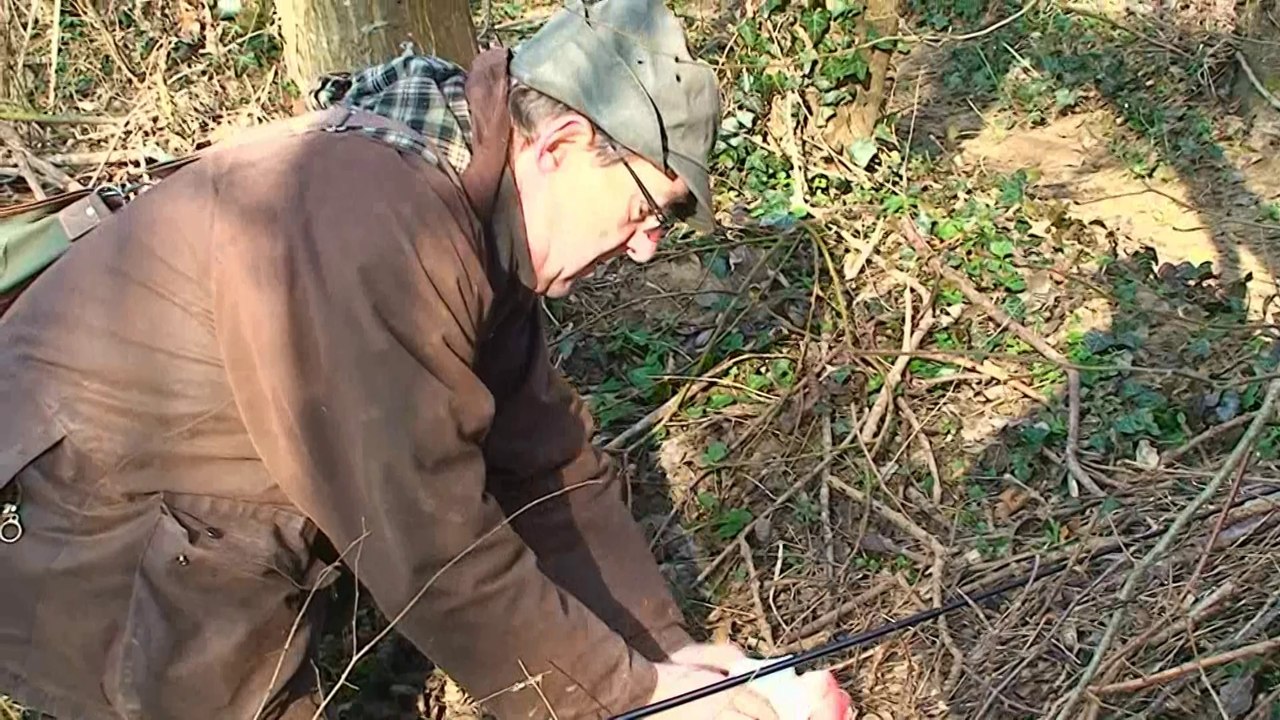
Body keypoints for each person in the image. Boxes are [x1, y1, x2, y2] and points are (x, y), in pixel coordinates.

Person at [0, 0, 852, 718]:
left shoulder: (481, 217)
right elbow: (427, 541)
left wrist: (668, 660)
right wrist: (619, 697)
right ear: (557, 145)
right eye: (642, 209)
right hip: (79, 526)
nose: (641, 249)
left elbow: (547, 471)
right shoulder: (371, 229)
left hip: (193, 527)